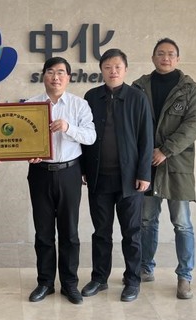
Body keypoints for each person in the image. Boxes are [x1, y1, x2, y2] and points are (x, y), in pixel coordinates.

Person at [132, 37, 196, 300]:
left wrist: (165, 150)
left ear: (178, 59)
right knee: (146, 220)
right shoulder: (139, 87)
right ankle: (145, 267)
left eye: (171, 54)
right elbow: (132, 124)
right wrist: (146, 153)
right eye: (160, 53)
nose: (165, 58)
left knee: (182, 223)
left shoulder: (190, 89)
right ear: (153, 58)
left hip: (176, 165)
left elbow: (192, 126)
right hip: (146, 164)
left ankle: (185, 276)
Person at [80, 48, 153, 302]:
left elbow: (146, 138)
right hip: (99, 177)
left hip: (130, 179)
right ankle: (99, 278)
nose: (113, 71)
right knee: (101, 232)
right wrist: (84, 169)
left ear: (125, 70)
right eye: (108, 67)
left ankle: (132, 280)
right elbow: (83, 137)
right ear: (101, 70)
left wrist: (144, 173)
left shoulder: (137, 98)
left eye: (117, 67)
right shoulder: (91, 97)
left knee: (131, 233)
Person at [26, 57, 96, 305]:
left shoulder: (79, 105)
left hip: (69, 173)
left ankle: (69, 283)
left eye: (60, 72)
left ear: (68, 77)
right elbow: (22, 139)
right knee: (43, 232)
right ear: (43, 75)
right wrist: (28, 152)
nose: (55, 77)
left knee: (69, 232)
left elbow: (90, 136)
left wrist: (68, 127)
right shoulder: (31, 105)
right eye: (50, 72)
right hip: (40, 173)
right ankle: (45, 282)